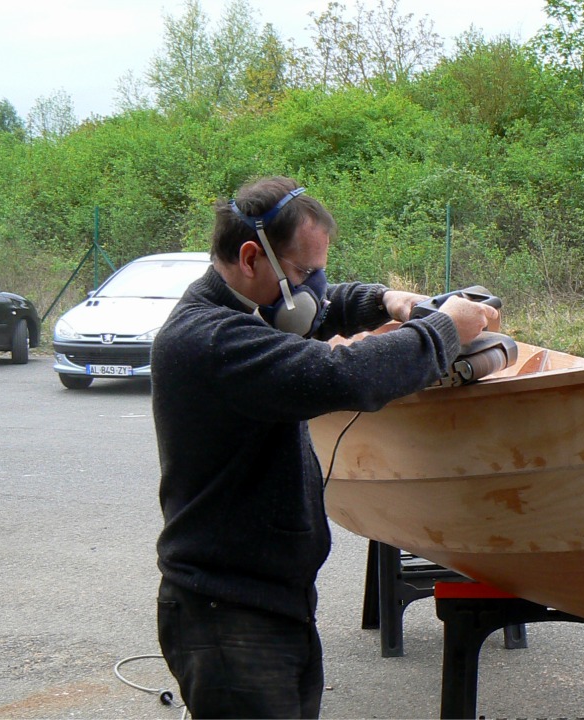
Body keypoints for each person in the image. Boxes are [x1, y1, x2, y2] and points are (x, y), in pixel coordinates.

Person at [152, 175, 499, 719]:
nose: (315, 287)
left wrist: (388, 301)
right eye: (302, 272)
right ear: (250, 258)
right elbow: (347, 377)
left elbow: (327, 303)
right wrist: (444, 330)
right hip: (228, 616)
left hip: (272, 602)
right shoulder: (209, 340)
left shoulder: (253, 309)